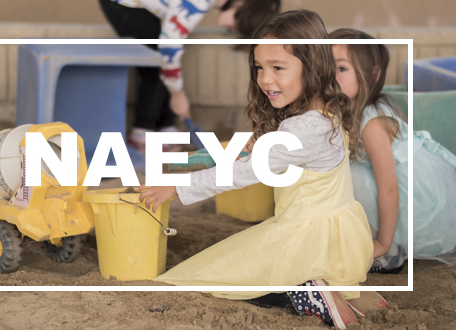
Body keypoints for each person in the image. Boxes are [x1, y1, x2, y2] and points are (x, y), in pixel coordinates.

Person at [139, 10, 377, 329]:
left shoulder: (299, 132)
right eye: (260, 68)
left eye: (278, 68)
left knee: (202, 277)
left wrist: (176, 188)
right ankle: (336, 289)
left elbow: (241, 174)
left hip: (305, 238)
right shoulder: (326, 112)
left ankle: (308, 294)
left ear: (315, 66)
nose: (265, 79)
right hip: (336, 235)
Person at [330, 28, 456, 273]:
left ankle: (390, 248)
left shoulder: (373, 124)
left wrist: (382, 243)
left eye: (342, 69)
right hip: (399, 185)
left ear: (372, 75)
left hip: (417, 196)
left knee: (350, 176)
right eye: (327, 68)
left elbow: (388, 189)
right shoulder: (344, 106)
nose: (331, 77)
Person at [98, 0, 280, 152]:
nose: (234, 30)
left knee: (164, 66)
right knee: (158, 63)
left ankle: (165, 128)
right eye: (241, 26)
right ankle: (142, 133)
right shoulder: (198, 1)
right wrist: (178, 95)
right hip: (124, 4)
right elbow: (168, 48)